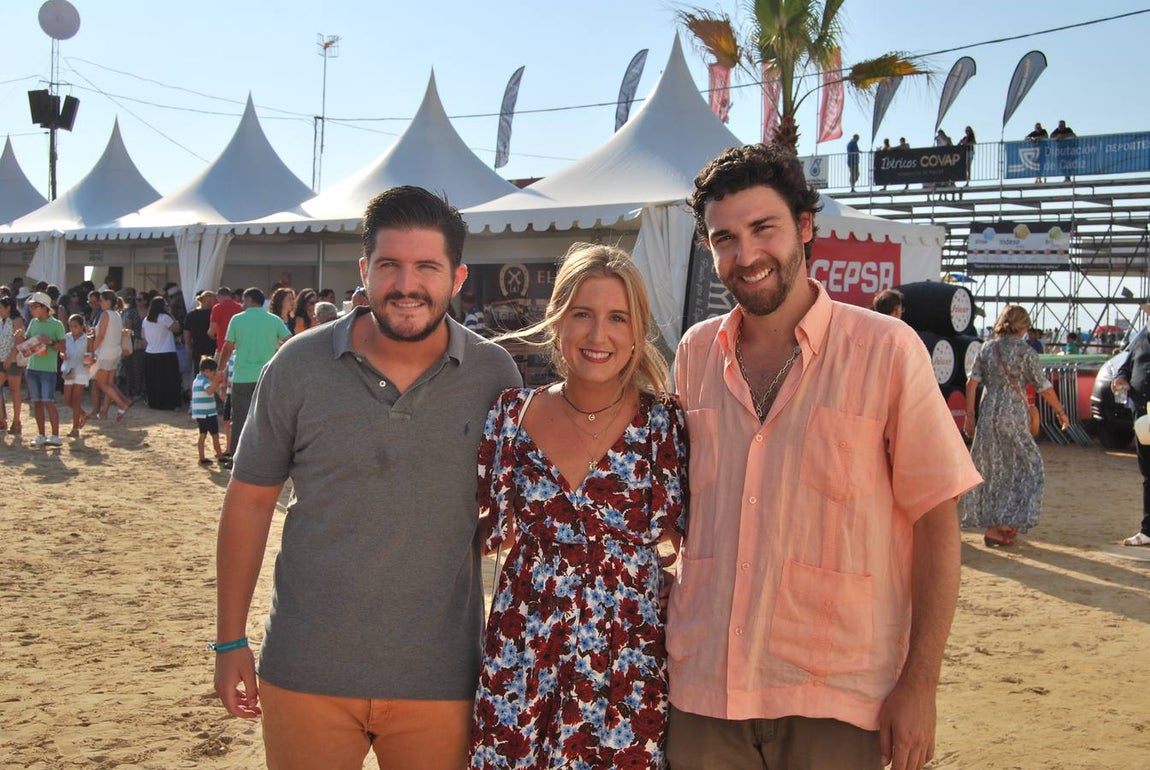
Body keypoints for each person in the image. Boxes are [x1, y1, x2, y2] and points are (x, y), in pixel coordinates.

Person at [667, 143, 982, 770]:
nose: (745, 255)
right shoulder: (695, 354)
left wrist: (920, 685)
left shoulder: (886, 351)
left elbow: (936, 523)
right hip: (704, 694)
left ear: (805, 227)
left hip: (838, 698)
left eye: (764, 228)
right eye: (724, 237)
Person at [213, 186, 522, 770]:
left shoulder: (493, 374)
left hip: (444, 676)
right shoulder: (297, 366)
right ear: (365, 271)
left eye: (426, 267)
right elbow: (249, 504)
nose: (407, 285)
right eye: (390, 266)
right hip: (306, 669)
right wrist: (230, 639)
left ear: (457, 278)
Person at [468, 244, 687, 768]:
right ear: (555, 317)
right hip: (522, 657)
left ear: (638, 331)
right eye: (582, 314)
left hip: (626, 666)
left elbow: (688, 549)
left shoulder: (665, 425)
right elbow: (476, 537)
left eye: (618, 318)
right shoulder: (510, 417)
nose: (598, 335)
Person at [960, 306, 1070, 547]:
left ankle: (993, 528)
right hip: (1013, 417)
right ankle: (1007, 522)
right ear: (1023, 326)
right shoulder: (1026, 352)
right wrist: (1060, 412)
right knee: (1029, 468)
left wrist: (970, 416)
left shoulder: (987, 348)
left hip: (988, 416)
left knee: (993, 471)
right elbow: (1044, 387)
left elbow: (971, 383)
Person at [214, 288, 290, 459]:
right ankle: (265, 456)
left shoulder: (237, 320)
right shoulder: (274, 320)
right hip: (267, 377)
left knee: (240, 419)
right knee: (266, 419)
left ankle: (237, 457)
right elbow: (289, 341)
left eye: (243, 300)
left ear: (248, 300)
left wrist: (220, 369)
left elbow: (227, 348)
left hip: (242, 377)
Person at [1111, 321, 1150, 546]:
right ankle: (1147, 529)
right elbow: (1126, 366)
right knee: (1148, 472)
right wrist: (1121, 378)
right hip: (1143, 414)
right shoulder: (1142, 336)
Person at [22, 292, 67, 448]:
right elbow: (27, 343)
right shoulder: (33, 323)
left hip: (48, 370)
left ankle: (55, 435)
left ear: (44, 308)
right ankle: (41, 434)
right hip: (32, 367)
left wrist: (48, 341)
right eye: (31, 307)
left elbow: (63, 347)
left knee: (48, 401)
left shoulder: (57, 325)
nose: (32, 309)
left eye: (34, 306)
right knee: (37, 403)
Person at [91, 290, 133, 420]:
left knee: (102, 383)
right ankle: (104, 411)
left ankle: (122, 404)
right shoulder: (117, 314)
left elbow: (101, 335)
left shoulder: (106, 314)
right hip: (115, 352)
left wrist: (92, 350)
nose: (100, 303)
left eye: (102, 300)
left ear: (108, 301)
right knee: (109, 383)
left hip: (105, 353)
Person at [142, 295, 183, 410]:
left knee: (153, 380)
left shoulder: (146, 319)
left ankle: (154, 402)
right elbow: (176, 328)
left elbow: (143, 336)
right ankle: (169, 403)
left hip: (150, 352)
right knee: (168, 380)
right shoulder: (165, 317)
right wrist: (172, 315)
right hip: (166, 352)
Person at [0, 295, 27, 434]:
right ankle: (2, 419)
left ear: (8, 307)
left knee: (14, 391)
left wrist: (10, 358)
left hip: (14, 360)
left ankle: (16, 422)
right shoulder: (2, 321)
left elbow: (19, 342)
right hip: (1, 358)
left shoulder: (16, 320)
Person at [61, 314, 92, 438]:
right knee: (67, 400)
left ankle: (75, 428)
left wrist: (86, 370)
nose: (73, 329)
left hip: (81, 371)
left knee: (76, 399)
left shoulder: (87, 339)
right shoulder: (67, 337)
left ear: (81, 327)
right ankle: (83, 414)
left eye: (75, 326)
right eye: (70, 326)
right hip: (68, 369)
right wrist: (62, 356)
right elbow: (62, 351)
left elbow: (91, 355)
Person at [191, 357, 225, 466]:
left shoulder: (196, 380)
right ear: (207, 371)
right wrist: (216, 381)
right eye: (213, 372)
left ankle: (202, 457)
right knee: (215, 435)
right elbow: (210, 391)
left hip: (199, 414)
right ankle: (220, 456)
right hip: (208, 413)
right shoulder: (205, 381)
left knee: (202, 434)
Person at [208, 286, 243, 352]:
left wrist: (211, 335)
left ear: (219, 296)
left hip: (223, 346)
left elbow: (212, 331)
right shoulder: (240, 307)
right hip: (238, 347)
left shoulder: (217, 308)